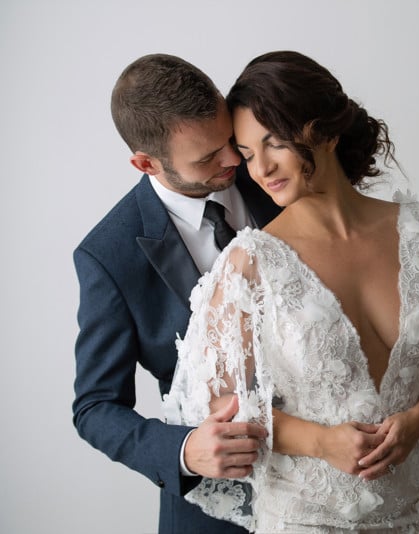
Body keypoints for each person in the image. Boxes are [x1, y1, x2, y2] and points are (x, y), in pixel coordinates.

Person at [164, 50, 419, 533]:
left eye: (274, 143)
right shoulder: (250, 264)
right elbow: (219, 410)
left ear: (324, 131)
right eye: (247, 154)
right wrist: (320, 442)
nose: (261, 168)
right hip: (307, 516)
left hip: (417, 511)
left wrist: (415, 422)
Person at [72, 54, 282, 534]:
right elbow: (95, 407)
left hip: (331, 487)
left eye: (229, 139)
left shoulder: (274, 174)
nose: (234, 160)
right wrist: (185, 450)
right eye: (208, 157)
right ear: (146, 163)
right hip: (213, 511)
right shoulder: (108, 254)